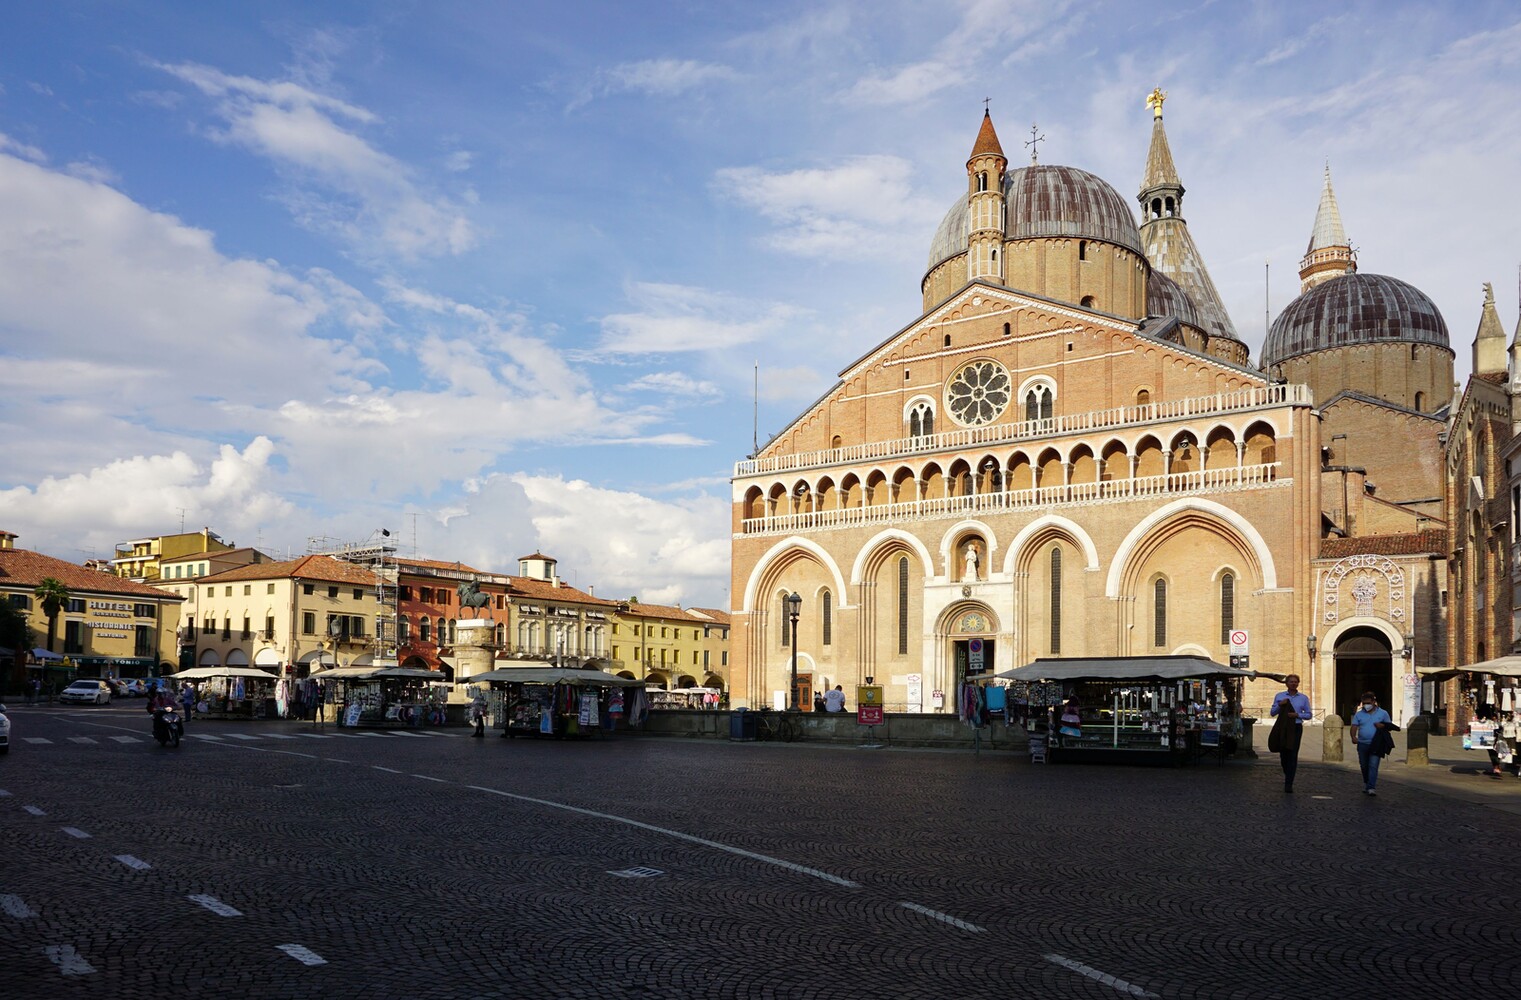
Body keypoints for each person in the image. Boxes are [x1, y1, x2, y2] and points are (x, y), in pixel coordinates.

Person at [1269, 673, 1312, 792]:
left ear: (1298, 683)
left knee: (1293, 755)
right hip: (1283, 727)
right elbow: (1272, 712)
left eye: (1295, 682)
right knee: (1284, 754)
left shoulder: (1303, 698)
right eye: (1291, 682)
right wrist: (1279, 705)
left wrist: (1297, 714)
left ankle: (1289, 783)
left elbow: (1309, 715)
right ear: (1286, 683)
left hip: (1296, 727)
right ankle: (1288, 773)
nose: (1293, 684)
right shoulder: (1279, 696)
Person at [1350, 691, 1393, 796]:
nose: (1366, 705)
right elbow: (1354, 726)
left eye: (1368, 703)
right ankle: (1367, 783)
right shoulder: (1359, 714)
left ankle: (1371, 787)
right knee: (1364, 766)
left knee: (1373, 765)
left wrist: (1382, 726)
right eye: (1364, 703)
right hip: (1362, 744)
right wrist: (1353, 736)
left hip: (1376, 744)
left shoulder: (1383, 713)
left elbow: (1390, 727)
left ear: (1374, 702)